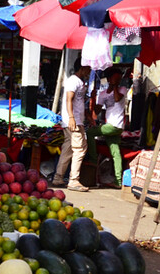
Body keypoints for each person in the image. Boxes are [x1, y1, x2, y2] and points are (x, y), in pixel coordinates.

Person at [53, 60, 91, 192]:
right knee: (80, 149)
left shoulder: (79, 82)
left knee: (68, 149)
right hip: (73, 121)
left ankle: (58, 177)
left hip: (75, 120)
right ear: (82, 67)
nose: (90, 71)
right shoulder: (73, 81)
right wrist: (71, 118)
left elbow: (78, 102)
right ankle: (74, 180)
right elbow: (69, 99)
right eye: (88, 68)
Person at [86, 67, 126, 189]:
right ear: (109, 79)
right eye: (115, 78)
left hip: (116, 125)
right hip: (110, 126)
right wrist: (93, 100)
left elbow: (117, 98)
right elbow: (96, 112)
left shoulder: (122, 89)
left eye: (119, 78)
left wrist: (114, 86)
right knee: (116, 153)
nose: (118, 80)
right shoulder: (103, 94)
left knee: (90, 132)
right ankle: (118, 181)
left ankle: (93, 159)